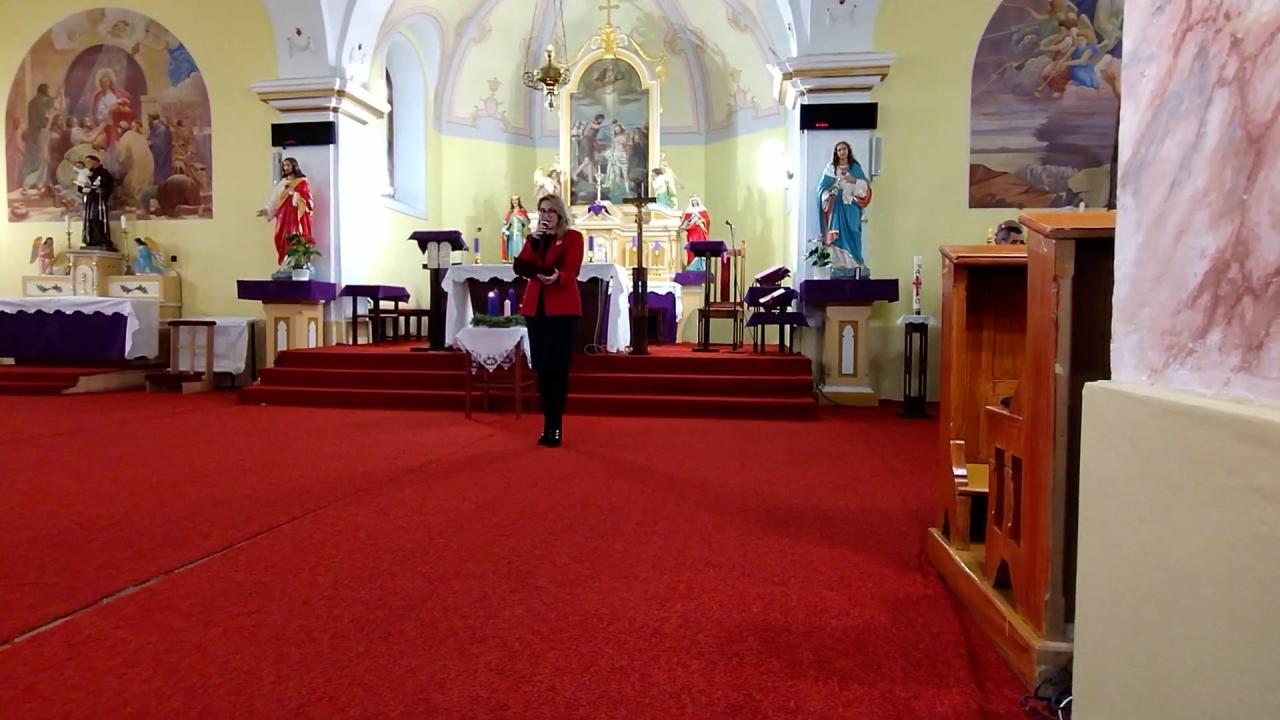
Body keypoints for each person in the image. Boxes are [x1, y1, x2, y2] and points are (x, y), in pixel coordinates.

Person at [513, 194, 584, 448]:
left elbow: (572, 269)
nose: (546, 215)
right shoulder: (534, 239)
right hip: (537, 310)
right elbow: (521, 265)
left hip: (562, 309)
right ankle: (547, 423)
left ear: (560, 214)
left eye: (551, 211)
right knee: (542, 369)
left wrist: (557, 277)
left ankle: (555, 426)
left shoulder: (573, 237)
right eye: (542, 211)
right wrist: (535, 241)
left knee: (558, 370)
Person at [816, 140, 873, 273]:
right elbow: (821, 190)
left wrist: (854, 180)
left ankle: (856, 263)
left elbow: (865, 188)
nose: (842, 152)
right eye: (839, 149)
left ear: (848, 151)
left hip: (851, 206)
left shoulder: (855, 168)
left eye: (844, 149)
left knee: (854, 231)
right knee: (837, 235)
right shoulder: (831, 169)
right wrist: (829, 193)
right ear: (836, 152)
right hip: (836, 207)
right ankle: (839, 264)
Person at [257, 156, 314, 265]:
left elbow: (307, 201)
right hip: (282, 216)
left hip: (294, 217)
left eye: (288, 165)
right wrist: (268, 210)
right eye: (284, 165)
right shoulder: (283, 183)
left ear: (294, 166)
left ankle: (296, 263)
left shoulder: (302, 182)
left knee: (293, 237)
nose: (286, 168)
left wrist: (294, 194)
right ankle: (284, 262)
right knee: (281, 237)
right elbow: (275, 199)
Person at [80, 154, 114, 249]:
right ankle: (91, 239)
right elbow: (83, 185)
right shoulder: (88, 173)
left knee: (98, 218)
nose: (89, 163)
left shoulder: (104, 173)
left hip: (99, 199)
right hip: (90, 199)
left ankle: (102, 239)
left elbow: (109, 185)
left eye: (90, 161)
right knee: (90, 219)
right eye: (87, 161)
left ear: (96, 161)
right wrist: (82, 187)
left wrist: (103, 190)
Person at [501, 195, 529, 262]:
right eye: (513, 200)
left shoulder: (522, 211)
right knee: (512, 252)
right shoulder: (510, 212)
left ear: (519, 201)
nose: (514, 202)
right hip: (512, 235)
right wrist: (505, 231)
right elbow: (507, 224)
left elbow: (526, 223)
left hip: (520, 235)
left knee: (520, 251)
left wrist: (518, 216)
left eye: (516, 200)